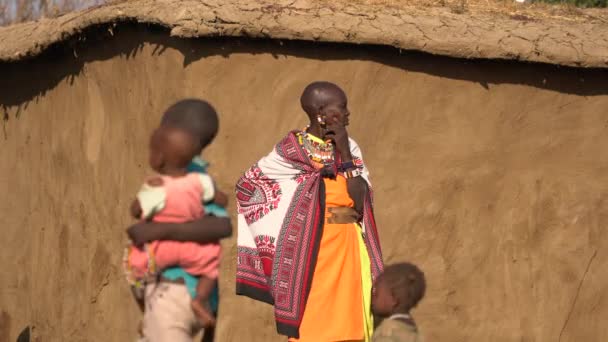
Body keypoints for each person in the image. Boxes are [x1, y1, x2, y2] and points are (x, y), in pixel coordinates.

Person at [235, 81, 384, 341]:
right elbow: (247, 186)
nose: (348, 113)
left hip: (348, 246)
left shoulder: (351, 147)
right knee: (314, 328)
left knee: (352, 325)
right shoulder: (291, 152)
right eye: (342, 107)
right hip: (311, 252)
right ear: (320, 113)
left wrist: (345, 153)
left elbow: (361, 201)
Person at [125, 99, 231, 342]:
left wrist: (157, 230)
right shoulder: (198, 180)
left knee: (134, 266)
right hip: (192, 294)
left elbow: (221, 226)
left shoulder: (193, 177)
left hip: (173, 290)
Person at [371, 263, 426, 342]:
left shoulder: (386, 335)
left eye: (376, 295)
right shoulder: (414, 332)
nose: (372, 299)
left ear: (393, 300)